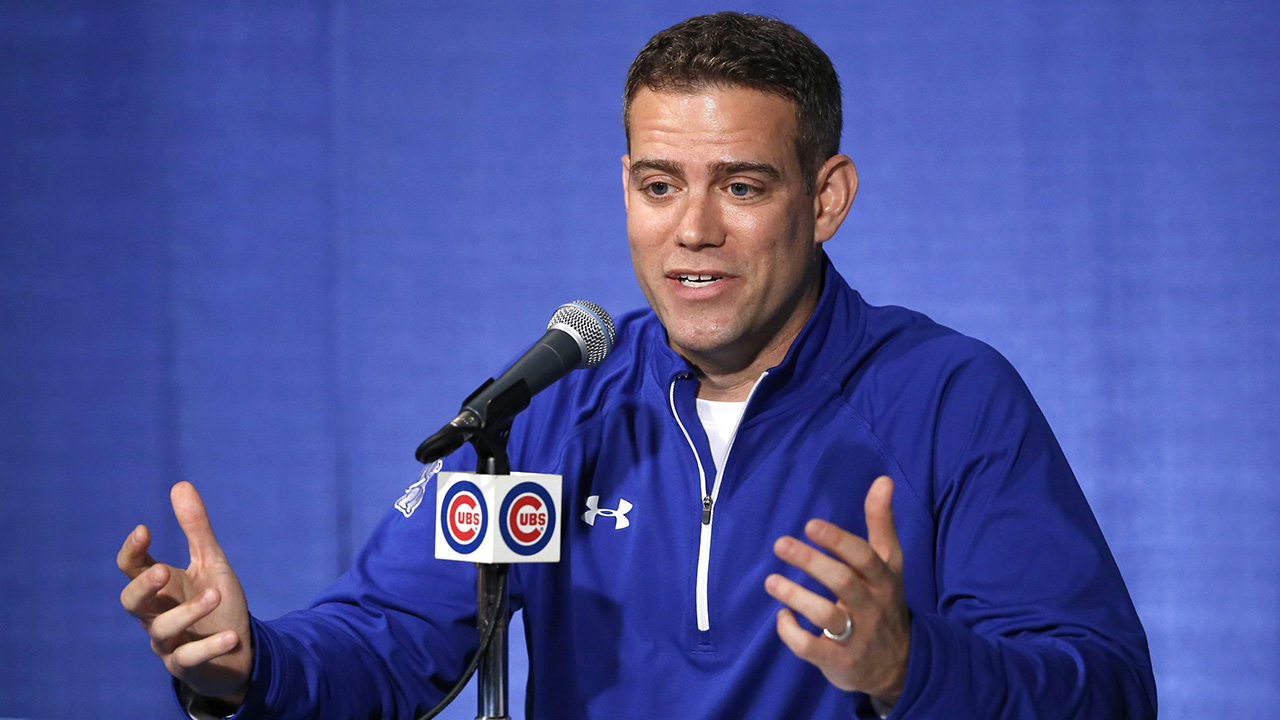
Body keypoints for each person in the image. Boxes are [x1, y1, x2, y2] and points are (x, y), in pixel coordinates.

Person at [118, 12, 1157, 719]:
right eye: (659, 186)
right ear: (625, 186)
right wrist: (250, 663)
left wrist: (909, 668)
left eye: (741, 188)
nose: (690, 232)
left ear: (826, 198)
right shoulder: (545, 408)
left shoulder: (948, 398)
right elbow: (388, 633)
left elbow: (1104, 691)